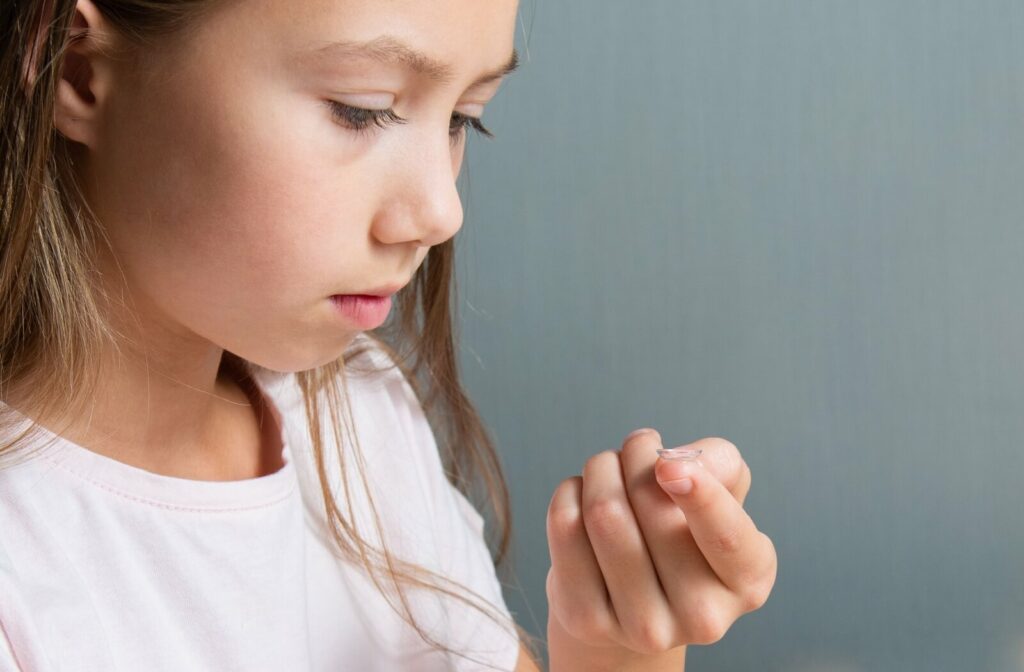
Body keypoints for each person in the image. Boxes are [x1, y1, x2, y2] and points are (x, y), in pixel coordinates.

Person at [0, 0, 778, 670]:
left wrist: (618, 645)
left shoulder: (357, 415)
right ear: (79, 69)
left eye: (464, 117)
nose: (441, 212)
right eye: (361, 108)